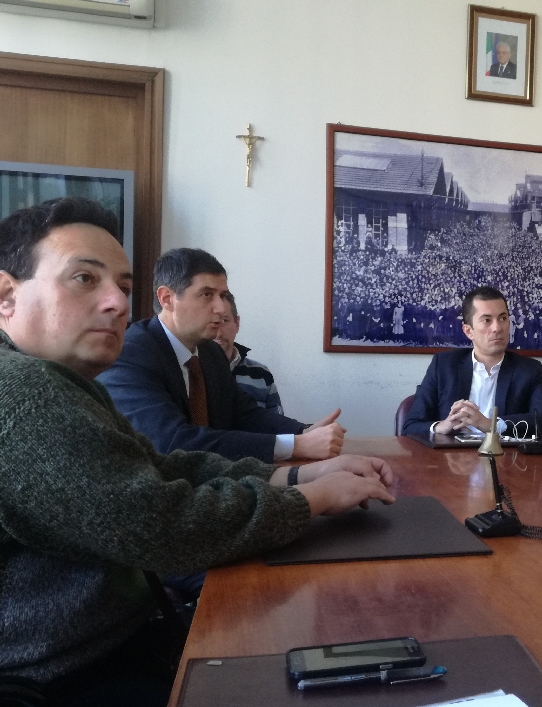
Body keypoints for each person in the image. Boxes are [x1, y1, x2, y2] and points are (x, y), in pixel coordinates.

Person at [0, 197, 395, 704]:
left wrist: (300, 476)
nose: (118, 303)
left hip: (119, 637)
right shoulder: (24, 391)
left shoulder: (68, 380)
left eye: (123, 286)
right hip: (66, 674)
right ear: (7, 295)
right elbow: (161, 523)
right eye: (84, 279)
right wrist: (312, 499)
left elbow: (162, 465)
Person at [97, 248, 345, 463]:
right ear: (167, 298)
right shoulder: (131, 353)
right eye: (207, 295)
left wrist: (304, 432)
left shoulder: (210, 353)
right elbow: (173, 443)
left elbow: (244, 414)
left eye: (223, 295)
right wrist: (296, 446)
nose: (220, 307)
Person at [402, 285, 542, 437]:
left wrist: (492, 424)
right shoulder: (443, 365)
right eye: (487, 320)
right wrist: (440, 426)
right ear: (468, 331)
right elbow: (411, 426)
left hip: (507, 461)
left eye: (503, 318)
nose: (497, 328)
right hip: (452, 461)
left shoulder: (529, 369)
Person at [213, 291, 285, 415]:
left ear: (237, 323)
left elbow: (278, 427)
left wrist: (303, 431)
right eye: (213, 322)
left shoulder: (261, 374)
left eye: (224, 320)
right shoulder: (193, 372)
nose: (218, 333)